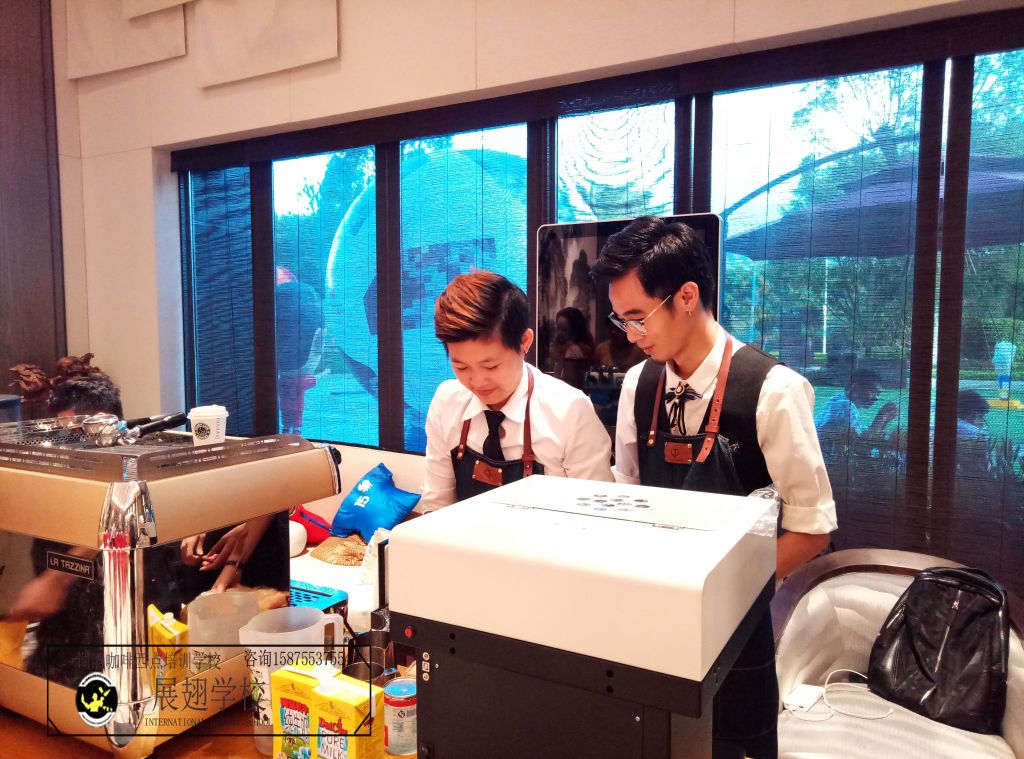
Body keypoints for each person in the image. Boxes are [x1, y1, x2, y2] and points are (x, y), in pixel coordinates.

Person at [591, 216, 837, 759]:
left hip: (736, 630)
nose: (630, 335)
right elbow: (627, 496)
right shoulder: (639, 385)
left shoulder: (773, 390)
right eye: (621, 319)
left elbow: (812, 529)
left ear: (686, 297)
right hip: (652, 623)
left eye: (638, 318)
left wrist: (719, 595)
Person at [420, 271, 613, 511]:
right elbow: (437, 505)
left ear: (524, 342)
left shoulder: (569, 411)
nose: (477, 381)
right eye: (461, 367)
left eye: (491, 366)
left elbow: (595, 517)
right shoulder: (447, 402)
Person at [814, 368, 898, 449]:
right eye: (872, 391)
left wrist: (885, 421)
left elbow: (866, 436)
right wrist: (881, 417)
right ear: (855, 388)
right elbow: (862, 446)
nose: (876, 398)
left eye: (878, 394)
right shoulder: (845, 407)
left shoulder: (839, 400)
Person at [548, 306, 595, 389]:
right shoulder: (559, 347)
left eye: (565, 330)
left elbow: (569, 382)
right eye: (558, 329)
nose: (559, 333)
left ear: (575, 331)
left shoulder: (574, 350)